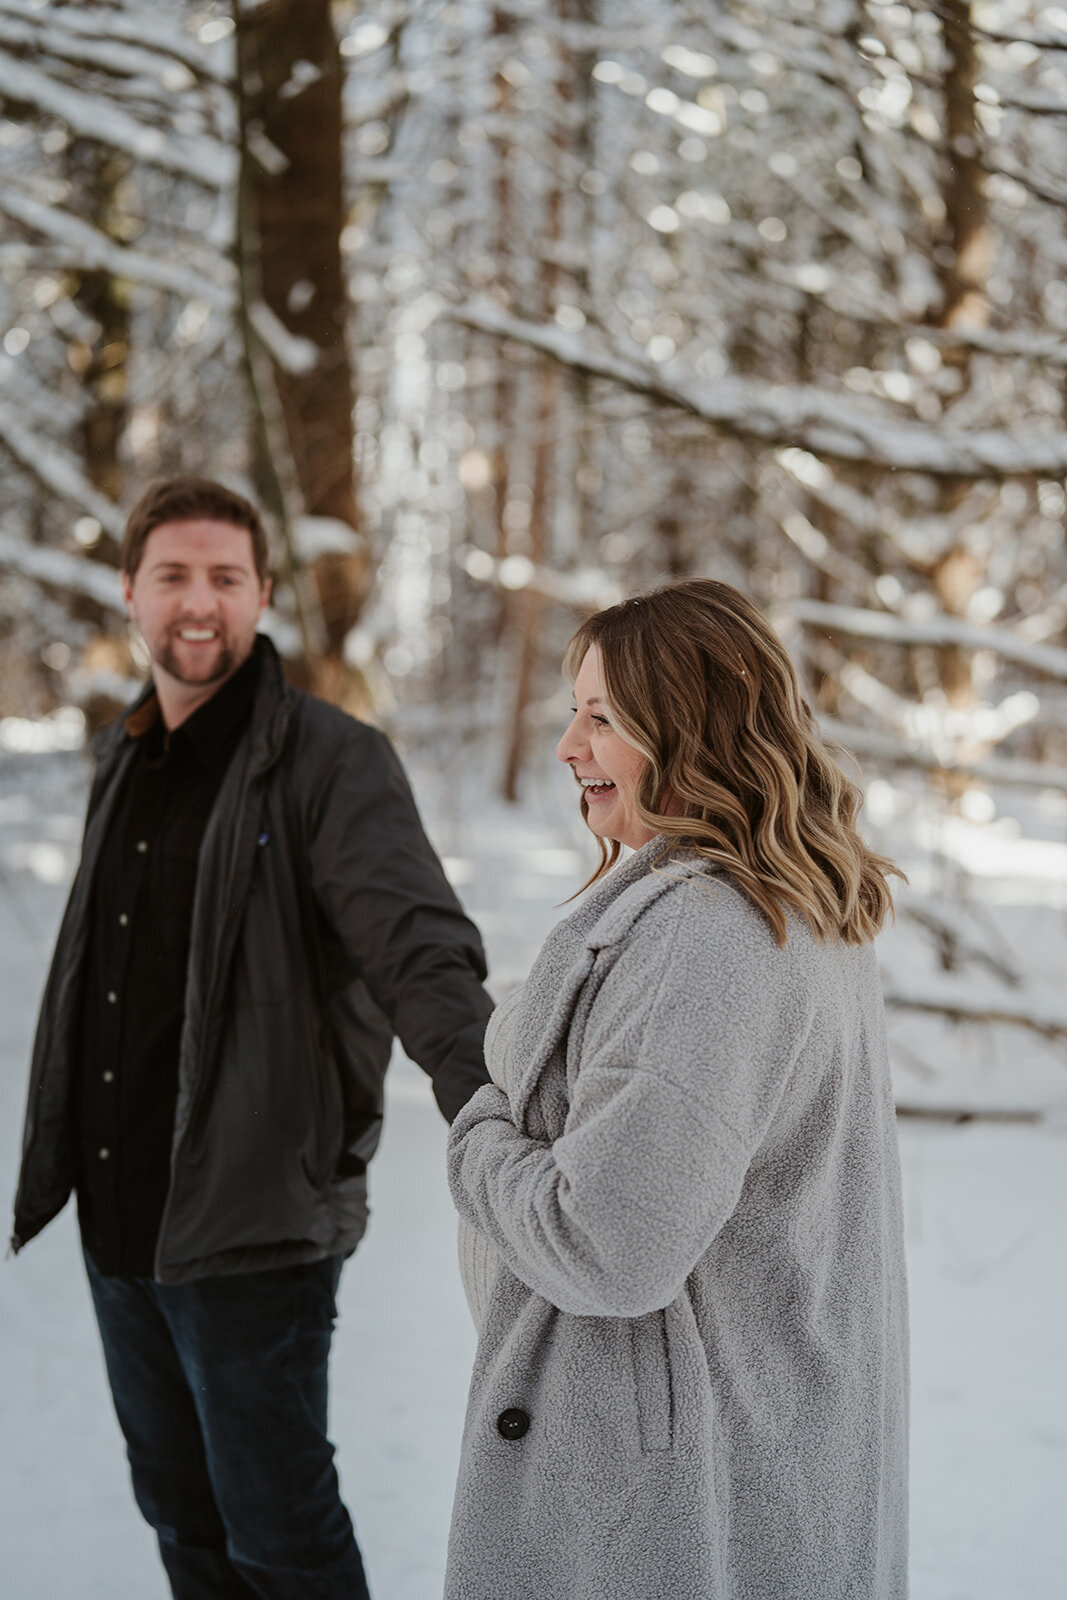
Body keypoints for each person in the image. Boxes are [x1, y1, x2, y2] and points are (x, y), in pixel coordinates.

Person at [11, 477, 494, 1600]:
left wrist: (493, 1111)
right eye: (172, 574)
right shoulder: (123, 753)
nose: (198, 602)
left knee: (282, 1539)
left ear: (263, 594)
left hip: (256, 1226)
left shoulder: (330, 759)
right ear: (130, 591)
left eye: (225, 578)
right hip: (122, 1225)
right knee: (178, 1513)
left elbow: (419, 948)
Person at [446, 579, 908, 1600]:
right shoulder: (790, 907)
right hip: (753, 1455)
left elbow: (607, 1245)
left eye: (601, 717)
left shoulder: (711, 937)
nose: (568, 745)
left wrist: (477, 1135)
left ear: (691, 729)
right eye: (573, 710)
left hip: (657, 1507)